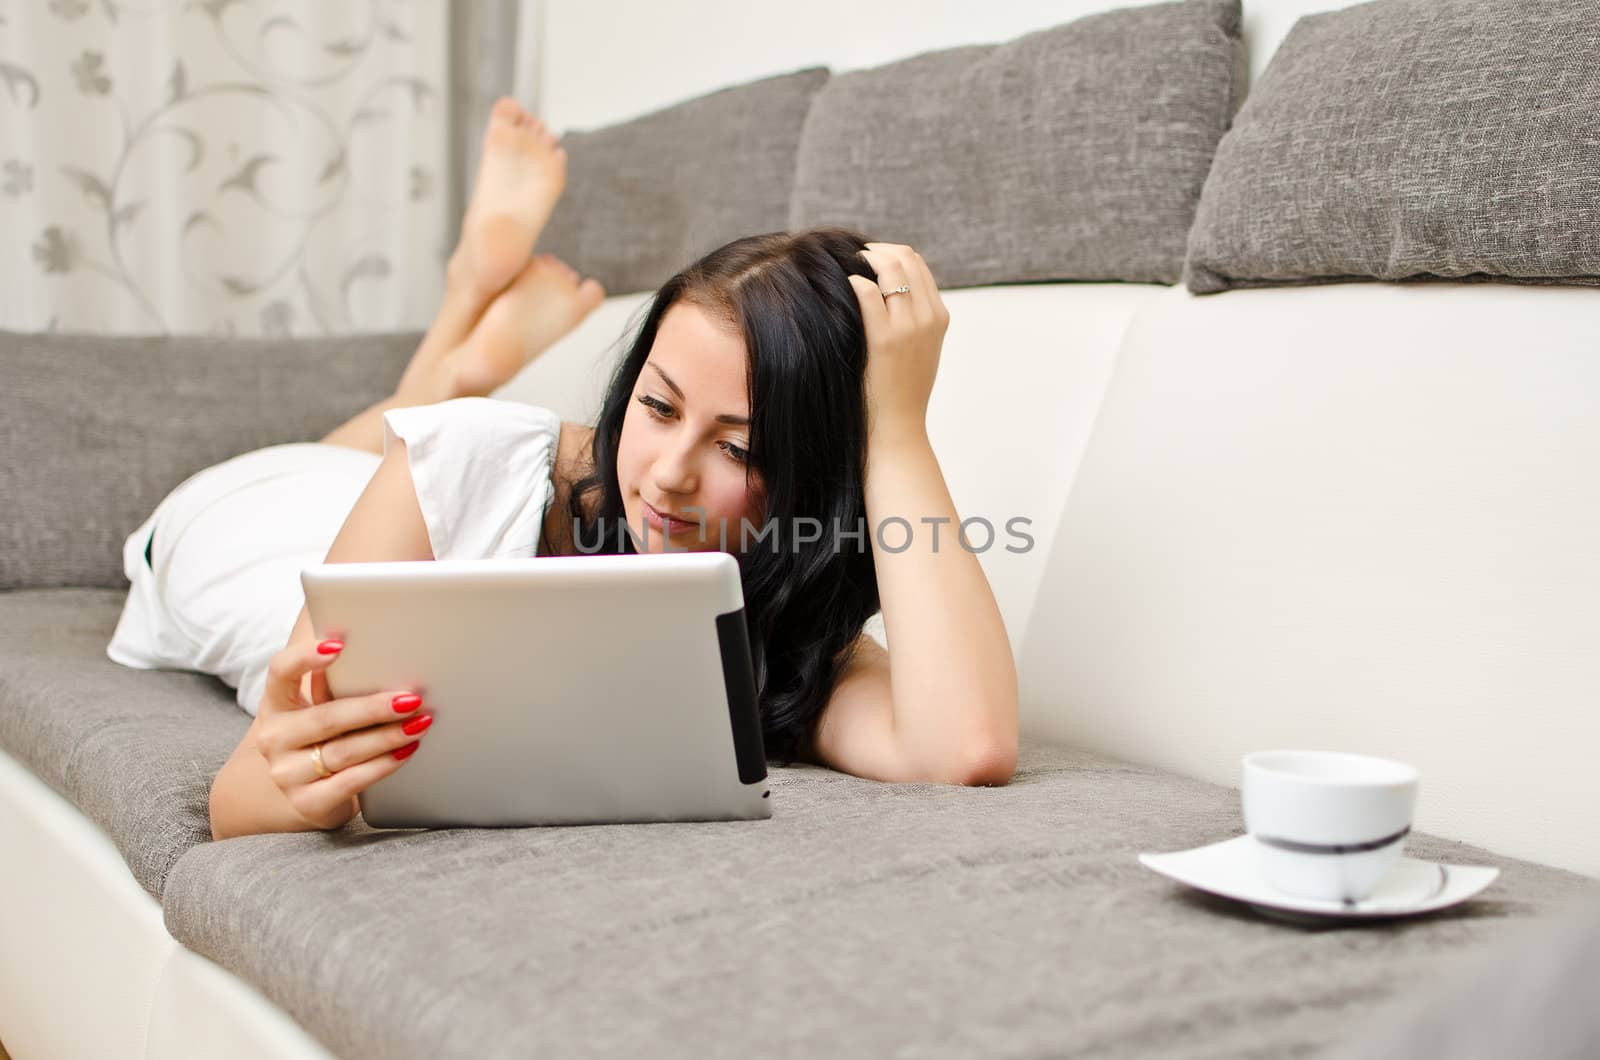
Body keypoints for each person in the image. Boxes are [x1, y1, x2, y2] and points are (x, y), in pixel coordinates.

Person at [109, 98, 1019, 841]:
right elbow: (237, 804)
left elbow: (964, 745)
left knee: (430, 445)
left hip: (421, 484)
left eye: (738, 448)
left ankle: (455, 354)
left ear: (815, 477)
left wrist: (895, 429)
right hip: (238, 530)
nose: (665, 476)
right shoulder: (470, 464)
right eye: (656, 406)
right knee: (416, 451)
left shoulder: (786, 631)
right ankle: (459, 333)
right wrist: (299, 781)